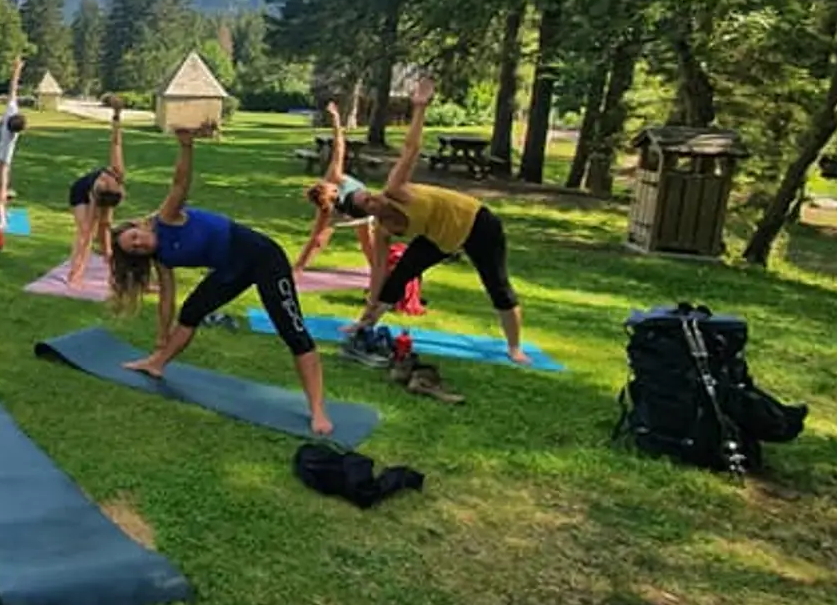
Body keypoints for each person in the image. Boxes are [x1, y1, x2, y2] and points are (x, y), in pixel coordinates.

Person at [107, 124, 334, 437]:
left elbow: (180, 184)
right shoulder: (162, 258)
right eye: (133, 248)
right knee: (191, 312)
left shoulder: (167, 217)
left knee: (292, 331)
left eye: (134, 237)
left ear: (139, 227)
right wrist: (161, 335)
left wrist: (186, 147)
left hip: (262, 256)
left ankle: (318, 410)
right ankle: (157, 363)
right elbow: (166, 298)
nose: (138, 244)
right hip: (230, 268)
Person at [336, 76, 529, 365]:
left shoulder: (395, 190)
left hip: (478, 223)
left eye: (369, 194)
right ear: (368, 212)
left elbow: (411, 149)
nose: (374, 197)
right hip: (439, 238)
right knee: (397, 278)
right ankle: (365, 327)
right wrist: (366, 313)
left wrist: (420, 108)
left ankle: (515, 347)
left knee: (497, 285)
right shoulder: (384, 229)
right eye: (368, 202)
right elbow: (378, 270)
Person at [293, 99, 390, 285]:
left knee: (367, 240)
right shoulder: (327, 212)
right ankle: (298, 269)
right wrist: (297, 269)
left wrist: (336, 120)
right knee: (319, 240)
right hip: (343, 213)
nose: (335, 188)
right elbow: (316, 239)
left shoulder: (333, 176)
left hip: (364, 207)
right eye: (333, 192)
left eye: (332, 188)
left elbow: (339, 148)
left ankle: (377, 273)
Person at [66, 96, 127, 287]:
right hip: (80, 193)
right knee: (86, 232)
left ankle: (111, 268)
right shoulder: (97, 190)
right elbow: (88, 232)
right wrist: (78, 274)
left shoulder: (117, 172)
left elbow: (116, 143)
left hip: (104, 198)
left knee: (106, 226)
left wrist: (116, 116)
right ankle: (74, 274)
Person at [0, 55, 28, 229]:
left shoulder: (11, 111)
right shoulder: (8, 142)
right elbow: (3, 168)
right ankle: (0, 216)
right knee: (0, 185)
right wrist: (4, 188)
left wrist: (16, 70)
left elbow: (13, 89)